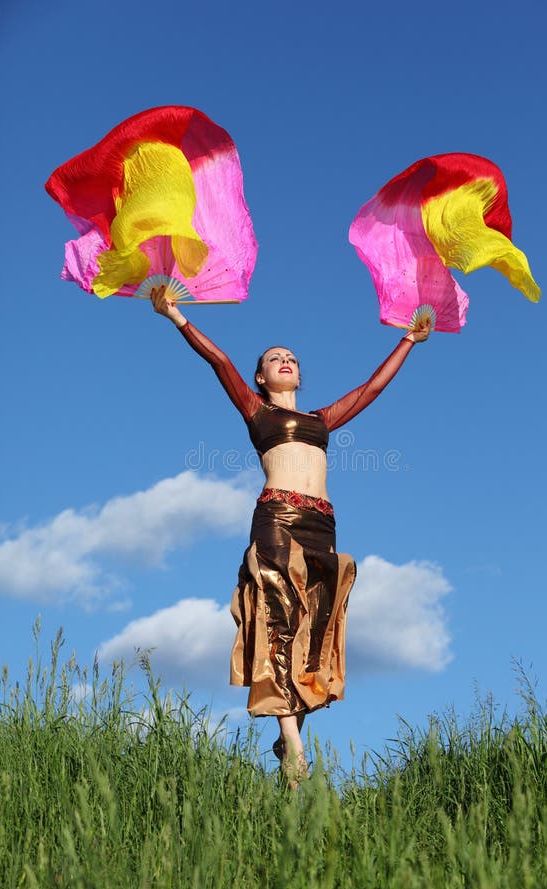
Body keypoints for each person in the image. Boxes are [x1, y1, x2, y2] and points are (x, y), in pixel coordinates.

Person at [150, 285, 430, 786]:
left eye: (292, 358)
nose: (285, 361)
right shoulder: (259, 412)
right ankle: (296, 748)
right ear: (261, 377)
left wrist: (408, 340)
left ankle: (287, 737)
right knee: (279, 620)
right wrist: (175, 315)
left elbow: (370, 390)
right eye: (274, 359)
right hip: (277, 518)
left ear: (299, 375)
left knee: (314, 633)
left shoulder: (320, 420)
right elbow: (218, 362)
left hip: (322, 523)